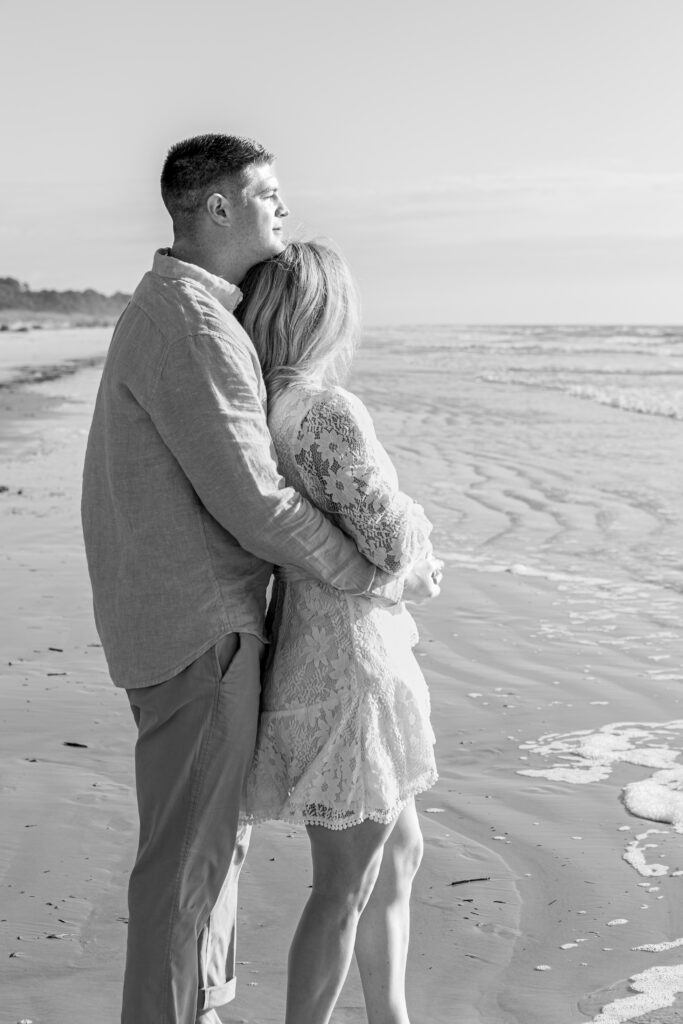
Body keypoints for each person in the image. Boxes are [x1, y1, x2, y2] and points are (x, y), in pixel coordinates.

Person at [80, 134, 440, 1024]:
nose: (282, 206)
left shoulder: (178, 313)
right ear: (217, 208)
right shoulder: (193, 325)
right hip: (197, 628)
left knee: (206, 859)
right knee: (190, 866)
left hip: (182, 621)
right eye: (268, 193)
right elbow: (257, 504)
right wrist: (370, 572)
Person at [236, 241, 441, 1024]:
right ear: (324, 312)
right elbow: (390, 543)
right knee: (343, 888)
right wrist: (418, 559)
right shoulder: (323, 409)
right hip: (350, 665)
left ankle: (390, 1018)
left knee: (396, 859)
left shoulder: (267, 410)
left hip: (315, 649)